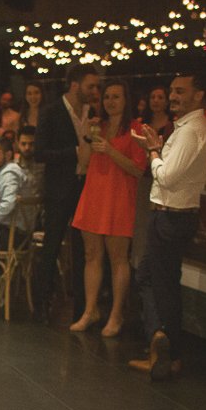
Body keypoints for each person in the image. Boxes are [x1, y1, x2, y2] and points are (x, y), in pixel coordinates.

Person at [129, 74, 206, 381]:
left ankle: (166, 347)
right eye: (172, 91)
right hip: (171, 214)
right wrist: (156, 147)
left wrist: (153, 152)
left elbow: (166, 177)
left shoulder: (193, 130)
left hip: (172, 216)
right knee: (153, 277)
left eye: (181, 91)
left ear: (199, 94)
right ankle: (161, 344)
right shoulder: (187, 128)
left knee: (159, 283)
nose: (173, 96)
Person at [69, 80, 147, 338]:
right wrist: (87, 138)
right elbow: (83, 162)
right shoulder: (98, 126)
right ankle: (90, 310)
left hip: (119, 197)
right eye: (107, 97)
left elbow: (138, 169)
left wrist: (110, 150)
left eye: (116, 97)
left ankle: (116, 313)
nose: (110, 102)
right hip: (93, 194)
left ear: (127, 100)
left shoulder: (136, 129)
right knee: (91, 255)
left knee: (118, 258)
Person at [33, 63, 100, 324]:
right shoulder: (51, 111)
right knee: (52, 246)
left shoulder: (91, 113)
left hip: (86, 187)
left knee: (85, 249)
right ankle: (41, 304)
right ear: (75, 85)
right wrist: (73, 152)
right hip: (59, 187)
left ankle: (82, 307)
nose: (95, 91)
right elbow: (40, 153)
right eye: (90, 86)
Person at [132, 85, 175, 269]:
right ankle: (137, 264)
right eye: (153, 97)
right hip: (144, 176)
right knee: (140, 223)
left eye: (160, 97)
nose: (156, 101)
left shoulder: (172, 125)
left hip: (162, 178)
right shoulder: (142, 124)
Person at [0, 137, 26, 250]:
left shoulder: (9, 172)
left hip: (11, 233)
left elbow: (8, 203)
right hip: (6, 230)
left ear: (8, 155)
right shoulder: (0, 172)